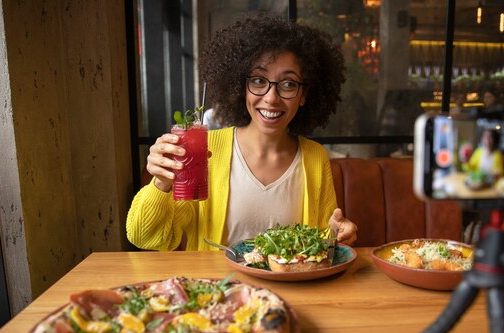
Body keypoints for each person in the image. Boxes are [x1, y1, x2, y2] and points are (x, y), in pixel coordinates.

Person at [127, 15, 358, 251]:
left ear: (305, 95)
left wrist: (335, 234)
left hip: (289, 288)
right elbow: (145, 237)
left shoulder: (314, 157)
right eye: (259, 80)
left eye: (288, 84)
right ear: (241, 87)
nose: (271, 98)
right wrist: (162, 183)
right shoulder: (204, 151)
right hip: (217, 287)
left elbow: (319, 247)